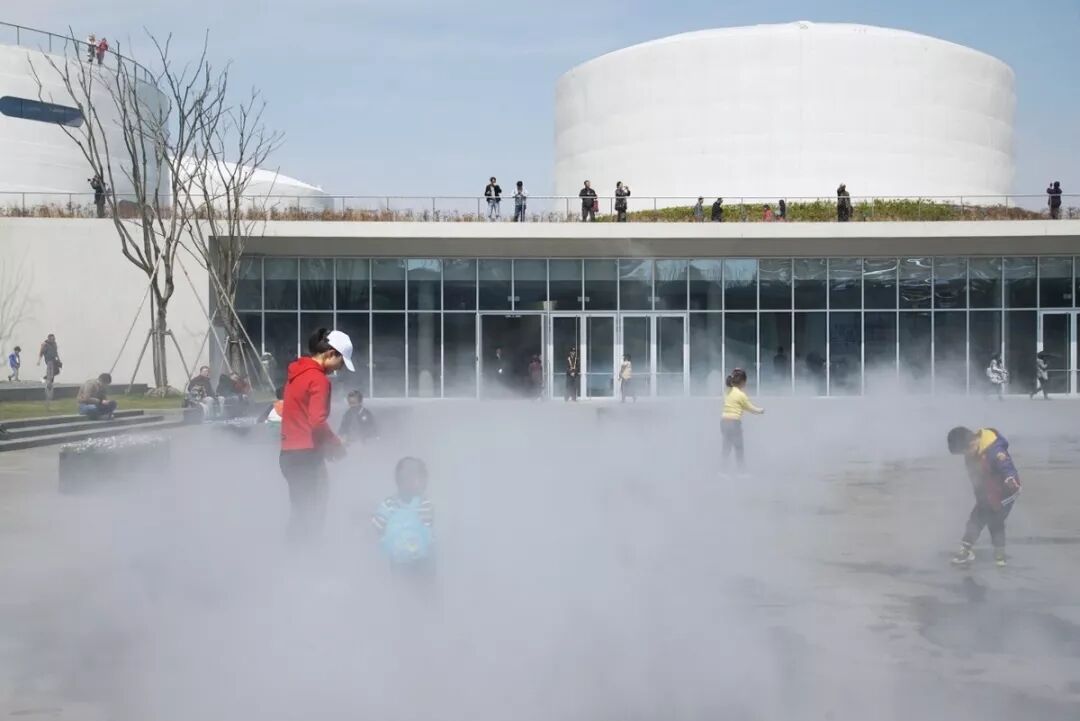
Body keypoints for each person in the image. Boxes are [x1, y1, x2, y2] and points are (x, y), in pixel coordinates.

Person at [279, 328, 354, 541]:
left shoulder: (296, 374)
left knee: (301, 510)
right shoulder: (318, 379)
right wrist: (336, 446)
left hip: (289, 454)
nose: (340, 368)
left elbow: (302, 418)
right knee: (314, 510)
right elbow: (316, 421)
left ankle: (294, 554)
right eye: (341, 362)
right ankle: (307, 555)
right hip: (306, 456)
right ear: (330, 354)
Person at [947, 426, 1021, 567]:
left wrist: (1010, 479)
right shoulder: (971, 453)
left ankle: (1000, 554)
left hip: (1007, 491)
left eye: (965, 452)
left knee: (995, 520)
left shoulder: (995, 451)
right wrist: (980, 496)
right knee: (976, 518)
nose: (965, 455)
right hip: (988, 492)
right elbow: (976, 477)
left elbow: (1006, 466)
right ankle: (965, 549)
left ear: (972, 443)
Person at [372, 457, 434, 572]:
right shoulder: (425, 504)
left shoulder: (389, 504)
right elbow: (431, 530)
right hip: (412, 562)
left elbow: (377, 527)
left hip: (411, 562)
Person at [721, 368, 764, 473]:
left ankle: (722, 471)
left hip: (724, 422)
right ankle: (741, 472)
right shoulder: (741, 395)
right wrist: (760, 411)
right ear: (743, 382)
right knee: (739, 448)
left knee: (726, 447)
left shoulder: (728, 391)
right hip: (734, 423)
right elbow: (750, 408)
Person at [37, 334, 61, 402]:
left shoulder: (54, 344)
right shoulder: (45, 344)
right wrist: (39, 361)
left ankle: (45, 379)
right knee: (50, 374)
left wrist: (58, 360)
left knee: (57, 371)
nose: (53, 340)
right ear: (49, 339)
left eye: (54, 339)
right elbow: (41, 353)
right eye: (52, 339)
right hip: (49, 361)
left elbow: (56, 352)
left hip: (54, 360)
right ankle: (48, 388)